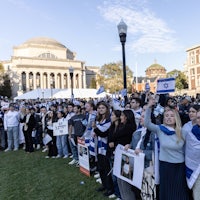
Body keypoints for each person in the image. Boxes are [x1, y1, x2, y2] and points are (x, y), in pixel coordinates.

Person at [144, 97, 189, 200]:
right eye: (167, 116)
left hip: (179, 167)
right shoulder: (160, 129)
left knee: (178, 192)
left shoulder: (183, 132)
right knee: (167, 192)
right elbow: (147, 123)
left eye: (172, 116)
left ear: (176, 118)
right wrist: (149, 107)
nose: (169, 118)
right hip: (165, 166)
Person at [125, 111, 155, 200]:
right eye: (140, 116)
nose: (140, 118)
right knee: (136, 191)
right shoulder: (137, 132)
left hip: (147, 169)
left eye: (143, 117)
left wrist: (143, 152)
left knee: (146, 193)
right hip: (136, 168)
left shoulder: (154, 134)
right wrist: (129, 146)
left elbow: (156, 153)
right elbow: (133, 147)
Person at [113, 110, 137, 200]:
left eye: (122, 115)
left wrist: (116, 124)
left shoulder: (129, 127)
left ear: (126, 117)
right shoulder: (122, 126)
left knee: (125, 180)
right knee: (120, 179)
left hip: (126, 157)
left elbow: (115, 136)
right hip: (120, 154)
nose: (120, 117)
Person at [93, 101, 113, 197]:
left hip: (105, 147)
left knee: (106, 167)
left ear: (107, 109)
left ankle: (110, 188)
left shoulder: (109, 120)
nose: (100, 110)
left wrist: (95, 129)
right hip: (99, 146)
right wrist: (95, 129)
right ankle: (104, 184)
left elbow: (103, 133)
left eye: (103, 108)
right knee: (100, 167)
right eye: (99, 108)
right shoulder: (98, 119)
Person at [184, 109, 200, 200]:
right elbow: (190, 151)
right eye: (198, 118)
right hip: (196, 171)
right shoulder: (191, 133)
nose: (199, 120)